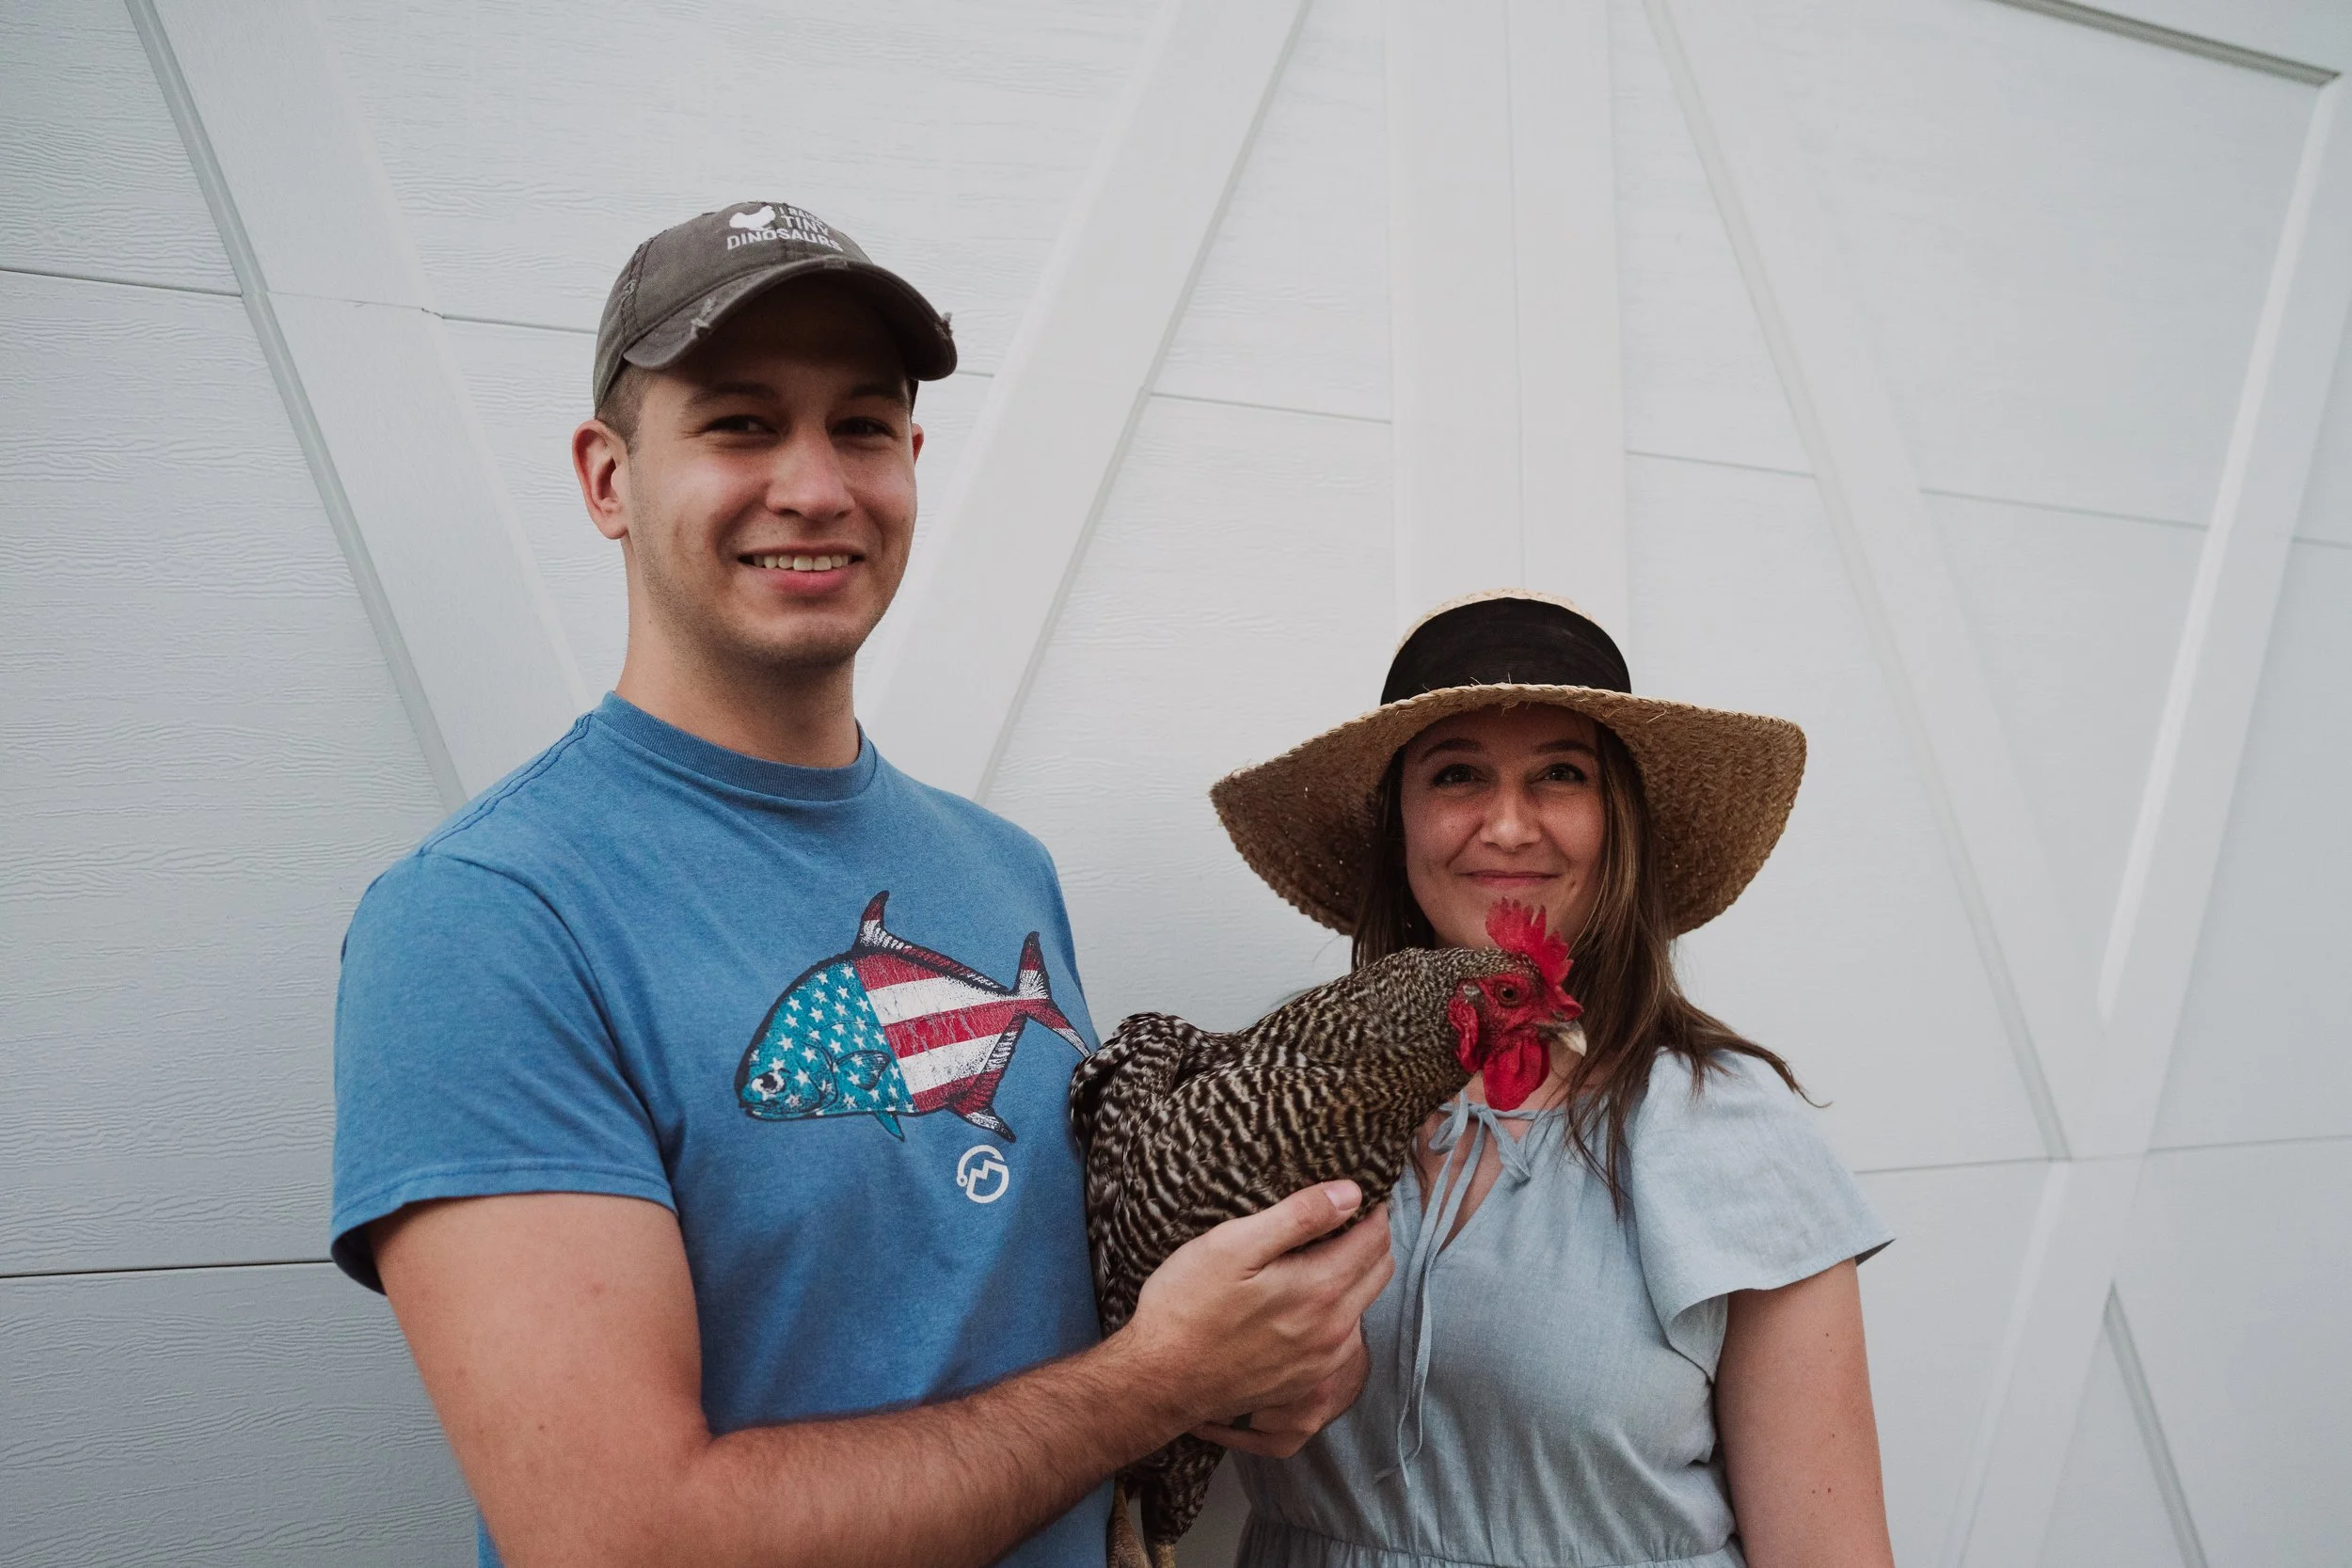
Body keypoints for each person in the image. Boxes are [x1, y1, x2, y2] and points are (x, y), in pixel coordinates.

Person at [329, 200, 1391, 1568]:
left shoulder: (1005, 869)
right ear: (607, 478)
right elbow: (620, 1539)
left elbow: (1022, 1311)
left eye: (863, 426)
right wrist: (1158, 1381)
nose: (817, 484)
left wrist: (1259, 1369)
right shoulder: (487, 917)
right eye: (739, 422)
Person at [1207, 590, 1898, 1568]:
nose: (1508, 826)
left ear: (1617, 820)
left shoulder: (1733, 1133)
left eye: (1560, 775)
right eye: (1456, 775)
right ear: (1396, 824)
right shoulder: (1282, 1102)